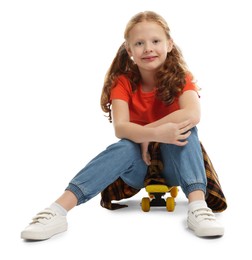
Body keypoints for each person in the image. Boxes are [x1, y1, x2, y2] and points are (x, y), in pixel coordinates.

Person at [21, 10, 224, 240]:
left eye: (155, 41)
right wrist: (153, 133)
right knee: (126, 146)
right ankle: (57, 211)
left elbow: (192, 113)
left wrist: (149, 135)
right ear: (129, 51)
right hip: (139, 166)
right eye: (139, 43)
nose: (148, 48)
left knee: (185, 130)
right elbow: (121, 128)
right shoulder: (123, 83)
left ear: (169, 44)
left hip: (175, 167)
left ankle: (198, 208)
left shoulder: (182, 78)